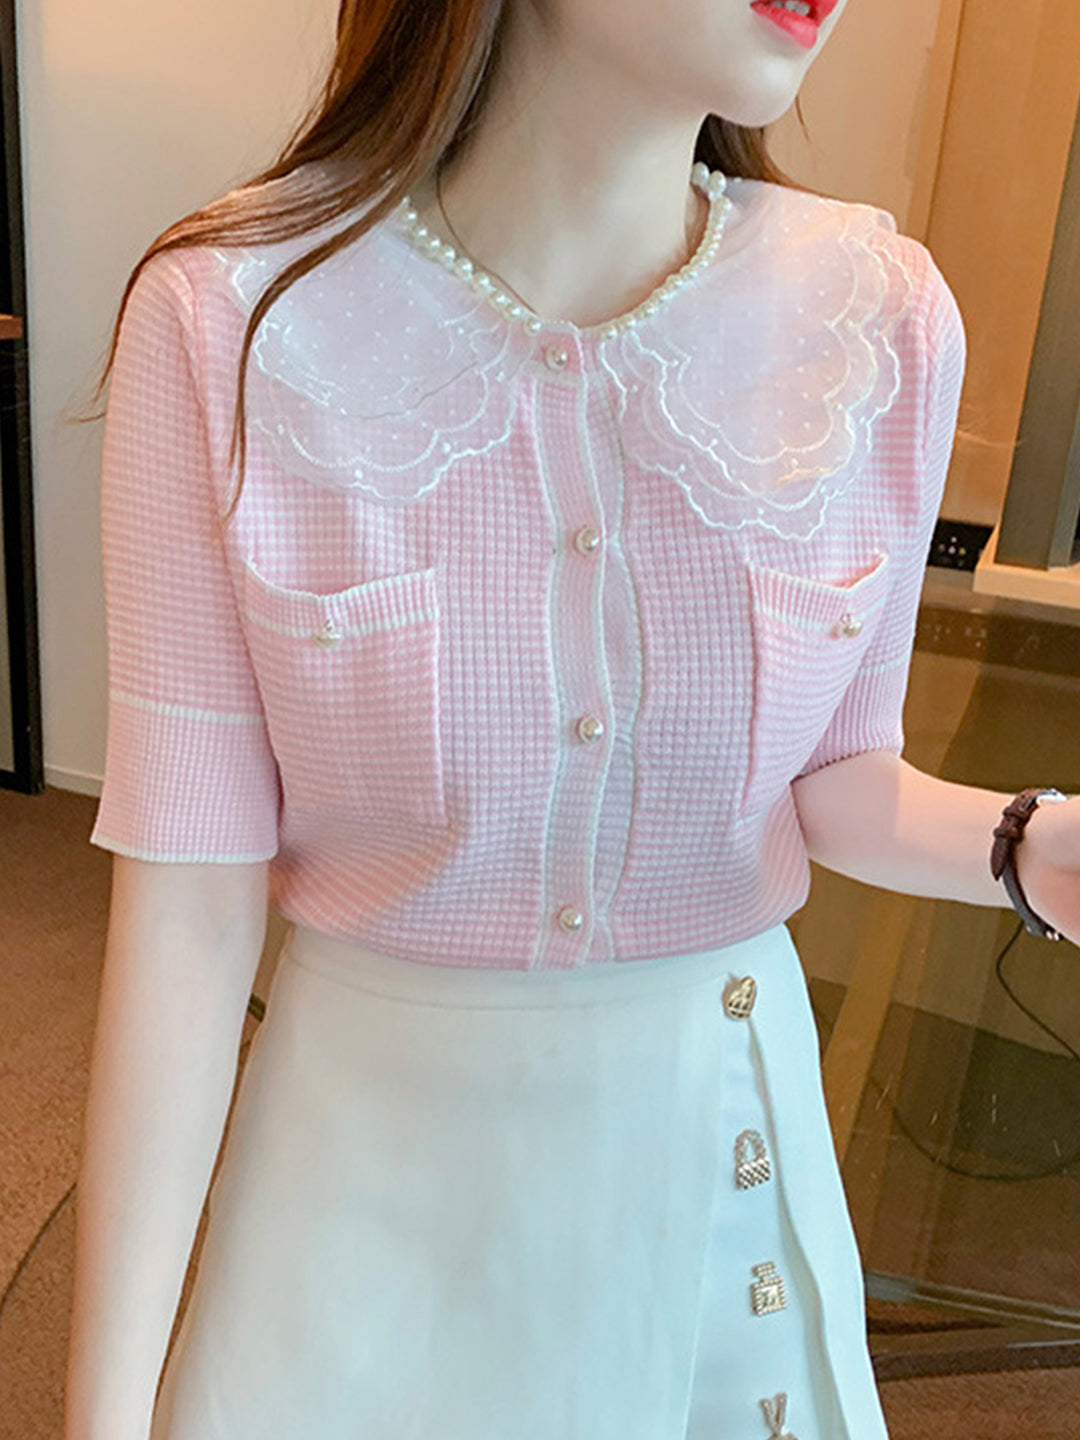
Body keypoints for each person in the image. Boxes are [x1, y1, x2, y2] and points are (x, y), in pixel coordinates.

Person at [64, 0, 1080, 1437]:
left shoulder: (878, 318)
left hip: (711, 1159)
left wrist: (1028, 845)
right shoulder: (230, 316)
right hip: (361, 1202)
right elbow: (188, 905)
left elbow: (840, 772)